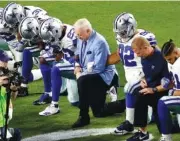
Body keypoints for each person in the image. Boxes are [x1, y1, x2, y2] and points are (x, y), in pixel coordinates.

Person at [107, 12, 157, 135]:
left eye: (123, 31)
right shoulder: (120, 39)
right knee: (149, 112)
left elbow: (156, 57)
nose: (120, 34)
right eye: (119, 31)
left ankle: (129, 123)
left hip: (144, 77)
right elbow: (120, 54)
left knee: (130, 90)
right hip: (131, 77)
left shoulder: (145, 37)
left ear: (131, 27)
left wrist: (149, 76)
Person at [71, 18, 119, 128]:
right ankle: (125, 103)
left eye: (80, 35)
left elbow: (99, 68)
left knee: (82, 81)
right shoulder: (81, 38)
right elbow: (77, 54)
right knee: (99, 112)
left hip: (104, 76)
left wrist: (80, 74)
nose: (78, 37)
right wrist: (77, 65)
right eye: (77, 35)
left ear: (88, 31)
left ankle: (83, 117)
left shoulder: (99, 42)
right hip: (90, 74)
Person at [125, 36, 170, 141]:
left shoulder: (161, 58)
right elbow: (148, 73)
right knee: (139, 94)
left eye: (138, 53)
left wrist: (153, 90)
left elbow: (170, 83)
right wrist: (144, 80)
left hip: (162, 91)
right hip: (152, 89)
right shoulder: (144, 57)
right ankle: (143, 132)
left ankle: (144, 133)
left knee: (168, 128)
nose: (137, 55)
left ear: (145, 47)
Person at [3, 2, 49, 96]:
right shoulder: (10, 18)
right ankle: (24, 85)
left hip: (46, 43)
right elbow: (19, 41)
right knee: (21, 67)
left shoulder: (36, 15)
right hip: (30, 42)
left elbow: (48, 32)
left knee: (49, 70)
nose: (12, 27)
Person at [157, 39, 180, 141]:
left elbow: (178, 92)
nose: (169, 61)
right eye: (167, 59)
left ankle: (166, 137)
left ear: (176, 53)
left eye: (170, 59)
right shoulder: (174, 58)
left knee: (163, 103)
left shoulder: (178, 64)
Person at [0, 45, 21, 141]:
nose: (6, 63)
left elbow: (13, 97)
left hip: (3, 120)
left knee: (16, 134)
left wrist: (14, 89)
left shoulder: (5, 75)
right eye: (4, 61)